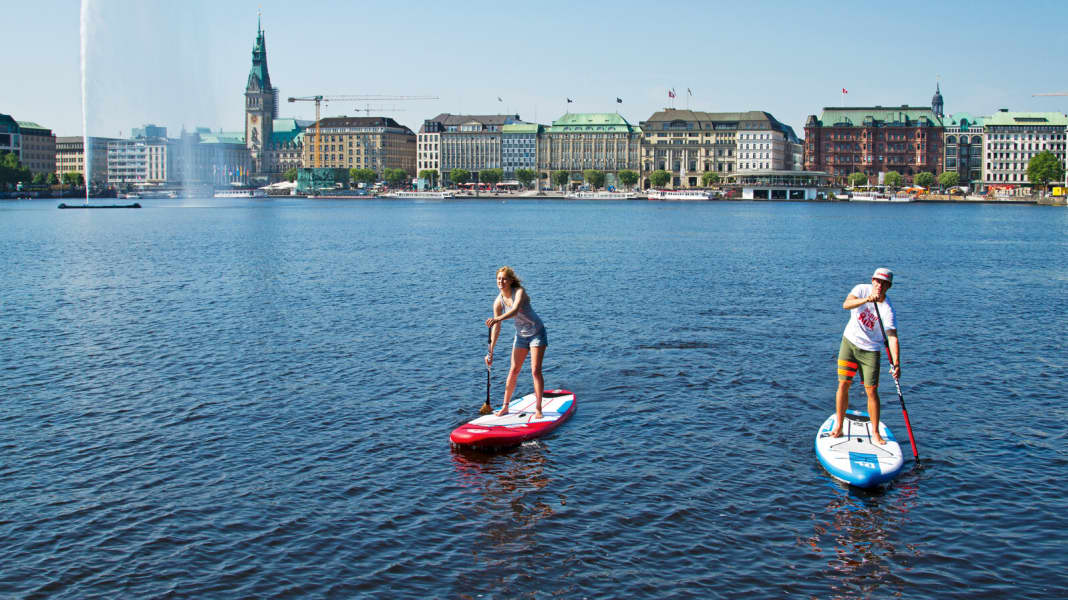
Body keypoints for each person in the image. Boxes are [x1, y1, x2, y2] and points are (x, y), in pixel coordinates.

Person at [831, 268, 901, 444]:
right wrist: (867, 299)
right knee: (843, 384)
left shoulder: (887, 309)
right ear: (872, 281)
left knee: (871, 391)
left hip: (870, 351)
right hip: (849, 343)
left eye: (884, 284)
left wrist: (896, 363)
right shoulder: (861, 290)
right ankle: (839, 425)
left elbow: (892, 337)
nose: (879, 286)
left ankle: (875, 432)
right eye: (877, 282)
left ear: (888, 287)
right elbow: (846, 304)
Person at [484, 266, 548, 419]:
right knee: (513, 370)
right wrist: (490, 351)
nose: (501, 281)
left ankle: (538, 408)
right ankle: (505, 407)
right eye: (499, 279)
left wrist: (497, 319)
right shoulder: (498, 302)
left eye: (504, 279)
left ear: (511, 280)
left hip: (536, 333)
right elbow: (496, 328)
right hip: (521, 336)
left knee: (535, 371)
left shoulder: (519, 292)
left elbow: (514, 310)